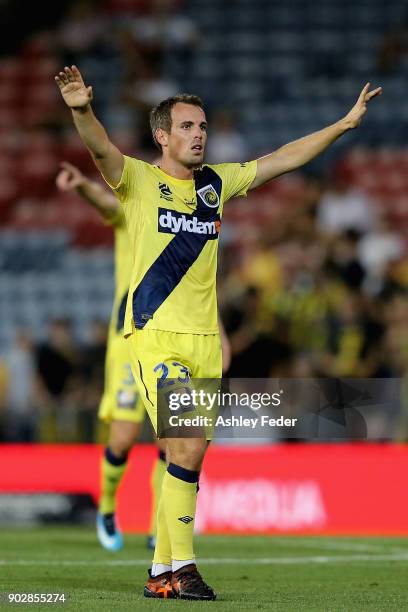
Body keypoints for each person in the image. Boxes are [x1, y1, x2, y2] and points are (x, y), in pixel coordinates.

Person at [55, 64, 381, 600]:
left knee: (188, 457)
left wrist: (342, 125)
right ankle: (183, 568)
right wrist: (81, 110)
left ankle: (161, 573)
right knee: (182, 448)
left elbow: (281, 159)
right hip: (157, 335)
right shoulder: (137, 179)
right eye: (187, 126)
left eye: (202, 125)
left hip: (206, 343)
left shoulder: (215, 185)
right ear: (163, 135)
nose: (199, 133)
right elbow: (99, 150)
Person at [56, 161, 167, 552]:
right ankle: (106, 507)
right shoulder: (132, 212)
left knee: (173, 440)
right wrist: (84, 185)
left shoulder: (184, 224)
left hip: (172, 340)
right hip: (128, 341)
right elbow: (106, 205)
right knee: (121, 439)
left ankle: (160, 526)